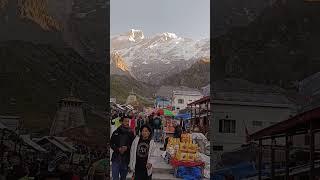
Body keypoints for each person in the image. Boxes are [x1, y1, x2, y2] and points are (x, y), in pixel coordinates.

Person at [110, 116, 135, 180]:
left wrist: (127, 148)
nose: (127, 123)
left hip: (125, 159)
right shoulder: (116, 132)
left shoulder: (131, 133)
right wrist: (118, 149)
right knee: (115, 177)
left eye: (128, 121)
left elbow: (134, 145)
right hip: (116, 158)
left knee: (123, 177)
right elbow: (111, 143)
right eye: (125, 121)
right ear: (122, 122)